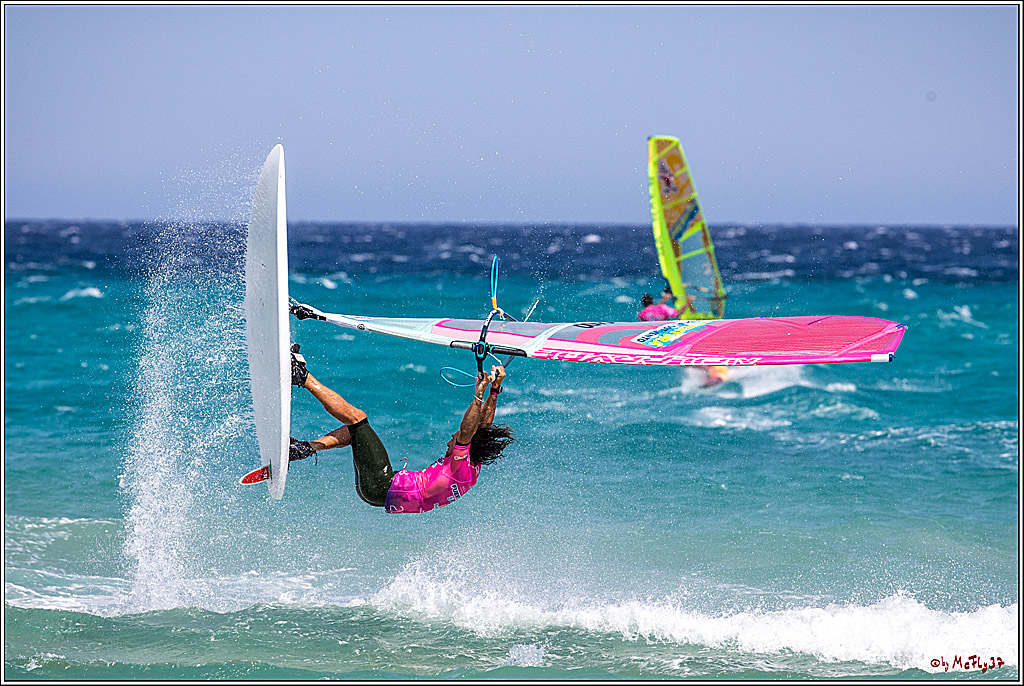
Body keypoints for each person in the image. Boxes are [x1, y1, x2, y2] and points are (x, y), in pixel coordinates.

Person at [287, 346, 514, 513]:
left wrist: (479, 393)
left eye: (453, 440)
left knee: (358, 419)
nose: (449, 441)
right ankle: (303, 449)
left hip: (382, 485)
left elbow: (467, 430)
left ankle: (301, 376)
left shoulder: (461, 464)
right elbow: (481, 427)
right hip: (380, 491)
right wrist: (495, 390)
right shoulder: (473, 468)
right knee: (354, 433)